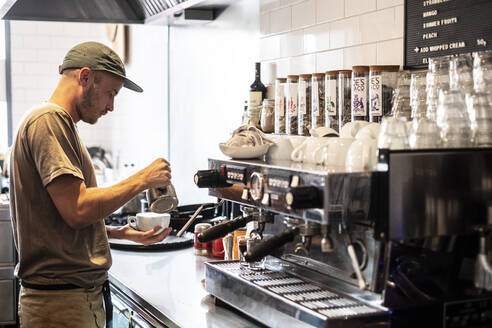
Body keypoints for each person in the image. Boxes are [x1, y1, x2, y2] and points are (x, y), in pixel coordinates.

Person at [9, 41, 172, 328]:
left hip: (65, 302)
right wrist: (143, 178)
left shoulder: (56, 123)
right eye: (110, 93)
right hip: (62, 306)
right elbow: (78, 210)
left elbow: (57, 221)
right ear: (85, 77)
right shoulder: (49, 120)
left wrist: (120, 233)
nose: (111, 106)